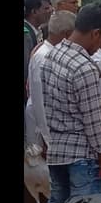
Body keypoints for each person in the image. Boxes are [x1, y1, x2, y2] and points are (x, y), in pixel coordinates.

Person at [41, 3, 101, 203]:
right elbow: (93, 124)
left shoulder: (52, 54)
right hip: (81, 157)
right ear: (96, 33)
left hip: (56, 151)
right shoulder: (85, 68)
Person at [29, 10, 76, 157]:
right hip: (47, 134)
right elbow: (40, 101)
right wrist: (47, 139)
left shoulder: (53, 53)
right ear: (67, 34)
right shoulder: (45, 57)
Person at [24, 0, 51, 99]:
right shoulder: (26, 35)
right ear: (34, 12)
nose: (50, 11)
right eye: (46, 8)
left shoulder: (38, 30)